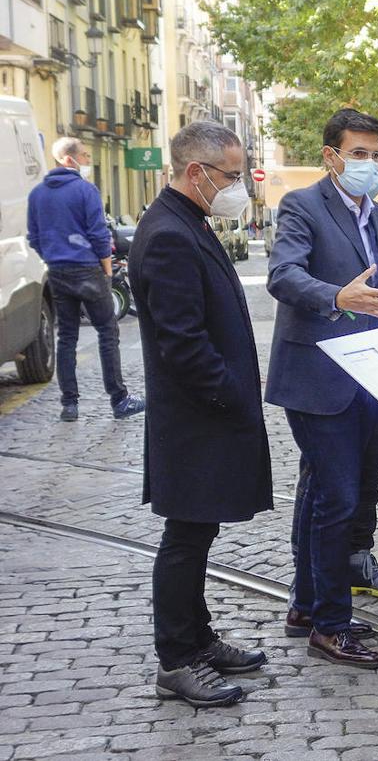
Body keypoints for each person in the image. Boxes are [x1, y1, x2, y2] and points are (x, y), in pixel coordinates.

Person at [268, 108, 378, 670]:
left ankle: (306, 604)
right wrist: (336, 297)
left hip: (374, 377)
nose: (369, 163)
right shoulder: (301, 206)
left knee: (335, 492)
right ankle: (331, 625)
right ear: (332, 156)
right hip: (318, 378)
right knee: (336, 497)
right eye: (358, 153)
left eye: (376, 153)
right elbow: (283, 276)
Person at [130, 121, 272, 706]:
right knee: (185, 538)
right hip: (196, 419)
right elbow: (181, 341)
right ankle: (176, 660)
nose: (238, 187)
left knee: (198, 531)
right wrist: (230, 396)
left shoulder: (186, 221)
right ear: (197, 173)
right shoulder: (168, 233)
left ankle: (199, 638)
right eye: (231, 177)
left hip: (203, 414)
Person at [26, 137, 145, 422]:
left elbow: (35, 237)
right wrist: (106, 272)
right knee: (107, 332)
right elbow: (99, 236)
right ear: (69, 159)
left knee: (66, 336)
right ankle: (119, 400)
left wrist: (52, 257)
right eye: (85, 155)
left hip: (57, 271)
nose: (88, 160)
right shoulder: (85, 190)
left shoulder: (37, 194)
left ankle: (69, 404)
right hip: (88, 269)